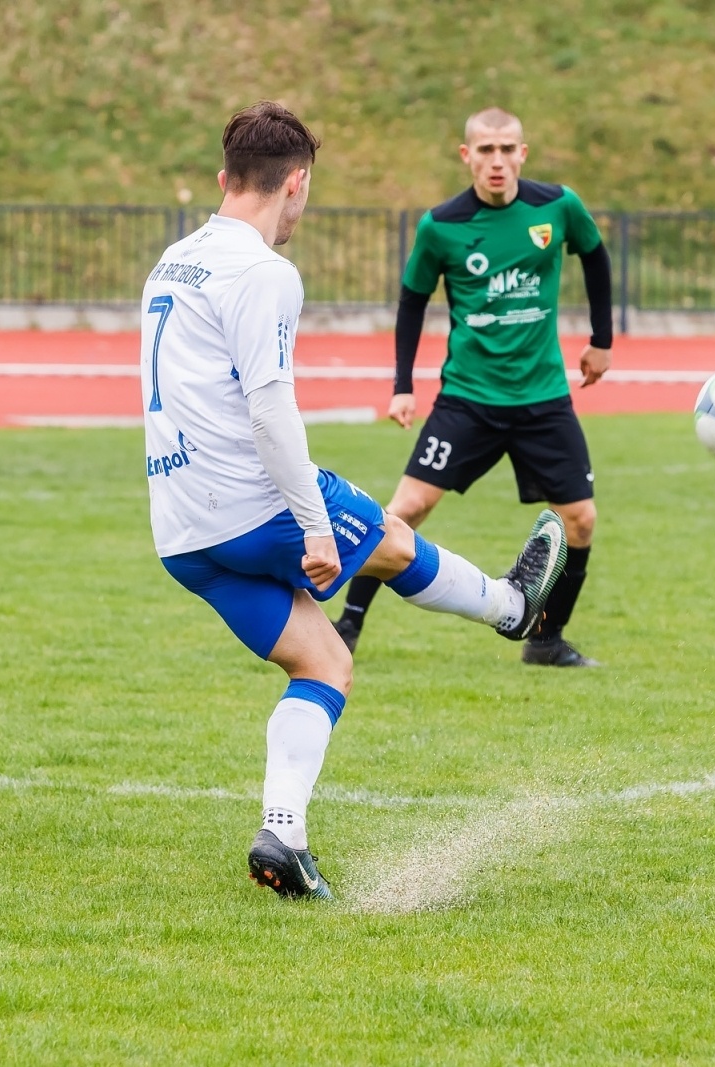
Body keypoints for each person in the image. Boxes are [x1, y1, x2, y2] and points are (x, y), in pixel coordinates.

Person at [143, 102, 567, 899]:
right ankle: (510, 607)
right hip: (251, 503)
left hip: (180, 527)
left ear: (225, 177)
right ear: (295, 183)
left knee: (324, 660)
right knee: (394, 541)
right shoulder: (265, 271)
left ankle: (283, 835)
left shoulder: (174, 260)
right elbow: (269, 409)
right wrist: (311, 523)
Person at [333, 107, 613, 668]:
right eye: (485, 150)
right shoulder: (441, 225)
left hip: (542, 399)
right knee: (406, 508)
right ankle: (347, 625)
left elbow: (596, 256)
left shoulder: (557, 207)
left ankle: (546, 640)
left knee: (581, 519)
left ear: (523, 154)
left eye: (508, 149)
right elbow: (413, 300)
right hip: (467, 401)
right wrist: (402, 385)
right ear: (467, 156)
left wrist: (601, 340)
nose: (497, 161)